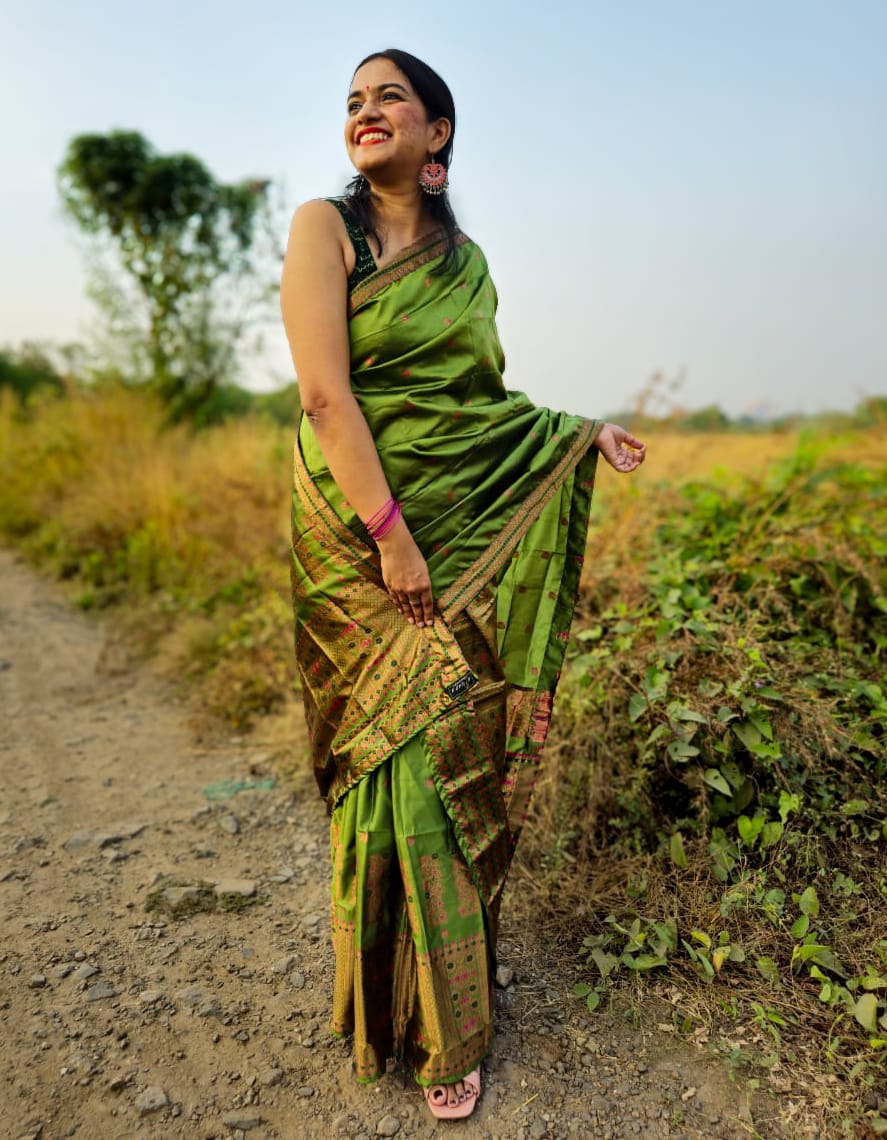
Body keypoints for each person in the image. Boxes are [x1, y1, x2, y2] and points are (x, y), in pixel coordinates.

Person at [280, 48, 646, 1121]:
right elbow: (322, 393)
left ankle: (446, 1022)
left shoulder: (466, 263)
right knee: (374, 758)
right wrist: (390, 535)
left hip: (438, 529)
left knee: (439, 749)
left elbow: (477, 408)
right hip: (352, 537)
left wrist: (578, 434)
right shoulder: (323, 229)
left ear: (437, 132)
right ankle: (380, 1008)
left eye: (389, 96)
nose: (366, 112)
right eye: (352, 101)